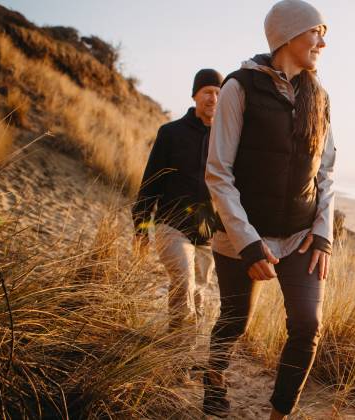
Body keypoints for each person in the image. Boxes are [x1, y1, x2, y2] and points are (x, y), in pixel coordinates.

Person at [202, 0, 336, 417]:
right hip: (242, 235)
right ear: (287, 34)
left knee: (307, 326)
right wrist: (247, 242)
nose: (323, 43)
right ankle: (213, 380)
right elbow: (218, 172)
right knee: (234, 321)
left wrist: (323, 233)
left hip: (300, 237)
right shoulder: (238, 87)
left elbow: (326, 171)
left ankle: (280, 414)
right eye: (316, 32)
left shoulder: (319, 96)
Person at [132, 69, 223, 340]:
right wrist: (141, 228)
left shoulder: (226, 139)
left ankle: (181, 347)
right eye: (207, 92)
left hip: (206, 232)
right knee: (184, 282)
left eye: (218, 93)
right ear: (195, 95)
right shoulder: (171, 133)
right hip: (171, 225)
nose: (213, 98)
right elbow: (150, 183)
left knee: (198, 293)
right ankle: (179, 352)